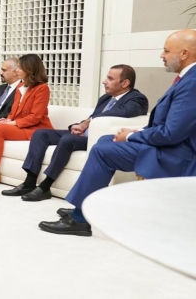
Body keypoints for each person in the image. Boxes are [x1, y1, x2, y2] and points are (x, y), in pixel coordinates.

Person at [40, 30, 196, 237]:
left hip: (177, 154)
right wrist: (136, 130)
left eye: (166, 51)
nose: (162, 55)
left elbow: (171, 134)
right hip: (169, 146)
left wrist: (130, 136)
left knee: (103, 150)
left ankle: (79, 218)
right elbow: (172, 125)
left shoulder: (192, 82)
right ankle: (85, 207)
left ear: (184, 53)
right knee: (106, 140)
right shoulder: (187, 79)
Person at [3, 65, 149, 201]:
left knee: (68, 139)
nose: (104, 81)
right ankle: (29, 181)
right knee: (41, 134)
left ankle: (45, 186)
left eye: (110, 79)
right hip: (85, 133)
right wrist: (79, 125)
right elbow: (93, 117)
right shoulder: (105, 98)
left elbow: (123, 112)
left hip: (98, 139)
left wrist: (87, 123)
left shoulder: (137, 99)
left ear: (125, 83)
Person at [0, 54, 53, 186]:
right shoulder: (20, 87)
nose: (17, 70)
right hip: (20, 125)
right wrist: (7, 120)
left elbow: (35, 117)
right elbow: (14, 112)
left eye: (20, 68)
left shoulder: (42, 88)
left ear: (29, 69)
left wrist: (12, 123)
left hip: (35, 129)